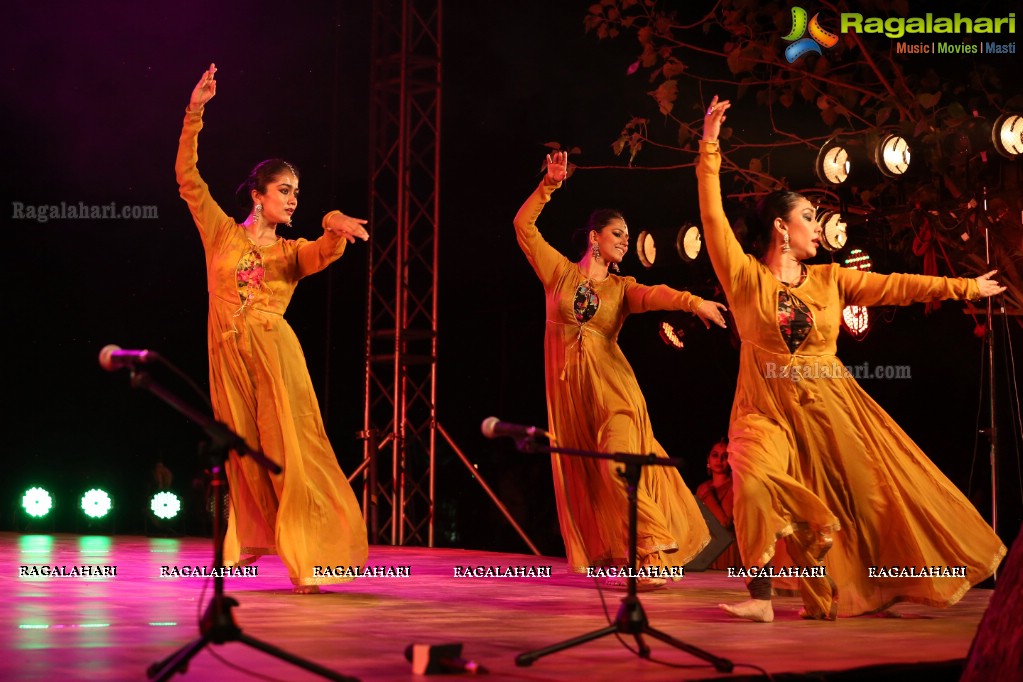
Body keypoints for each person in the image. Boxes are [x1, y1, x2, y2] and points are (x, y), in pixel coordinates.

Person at [696, 95, 1007, 621]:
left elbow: (896, 285)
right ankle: (761, 599)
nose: (819, 228)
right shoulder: (745, 277)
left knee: (871, 498)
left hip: (829, 407)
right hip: (762, 407)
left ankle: (882, 584)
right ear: (780, 227)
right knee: (751, 483)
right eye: (809, 218)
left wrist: (964, 286)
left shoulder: (832, 280)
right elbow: (711, 214)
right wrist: (709, 146)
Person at [176, 63, 369, 593]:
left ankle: (309, 558)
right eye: (284, 190)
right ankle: (251, 539)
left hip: (274, 354)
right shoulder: (219, 233)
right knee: (240, 449)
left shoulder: (290, 253)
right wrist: (196, 111)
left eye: (297, 193)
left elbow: (321, 253)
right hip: (226, 354)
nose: (292, 199)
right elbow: (188, 179)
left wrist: (333, 223)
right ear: (257, 195)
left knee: (290, 448)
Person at [514, 150, 727, 588]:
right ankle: (646, 555)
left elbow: (656, 295)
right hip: (575, 401)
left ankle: (652, 551)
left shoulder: (622, 288)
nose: (626, 240)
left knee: (617, 467)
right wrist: (549, 185)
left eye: (628, 235)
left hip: (616, 395)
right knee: (599, 476)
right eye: (619, 232)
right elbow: (523, 227)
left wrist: (693, 301)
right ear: (594, 237)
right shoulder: (559, 276)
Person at [694, 439, 740, 570]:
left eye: (725, 456)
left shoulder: (735, 486)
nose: (719, 460)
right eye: (715, 455)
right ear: (708, 459)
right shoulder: (702, 487)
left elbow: (724, 523)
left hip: (727, 549)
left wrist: (708, 496)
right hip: (707, 549)